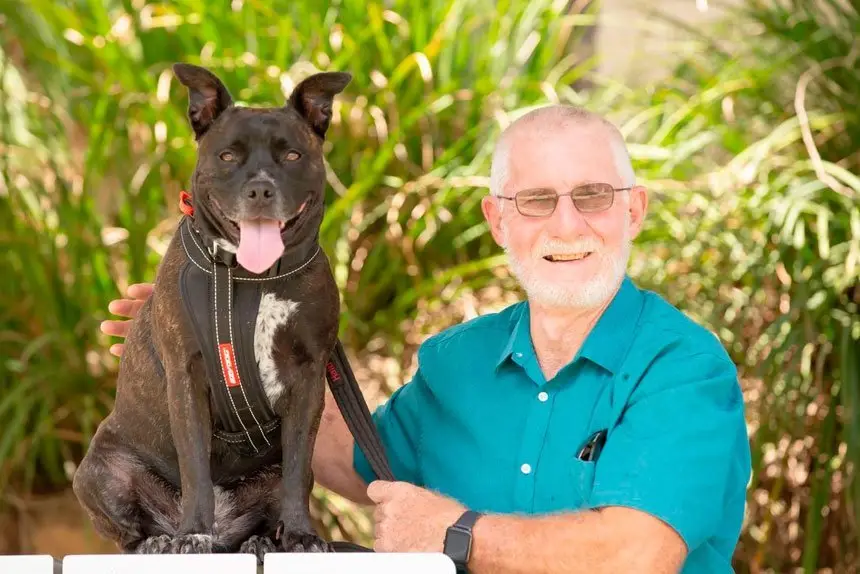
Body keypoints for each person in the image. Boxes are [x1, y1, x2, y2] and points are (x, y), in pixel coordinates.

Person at [100, 104, 751, 573]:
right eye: (535, 201)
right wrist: (215, 346)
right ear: (498, 221)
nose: (567, 224)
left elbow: (637, 555)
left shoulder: (682, 368)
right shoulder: (456, 363)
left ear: (634, 210)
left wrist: (458, 533)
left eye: (593, 196)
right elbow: (343, 459)